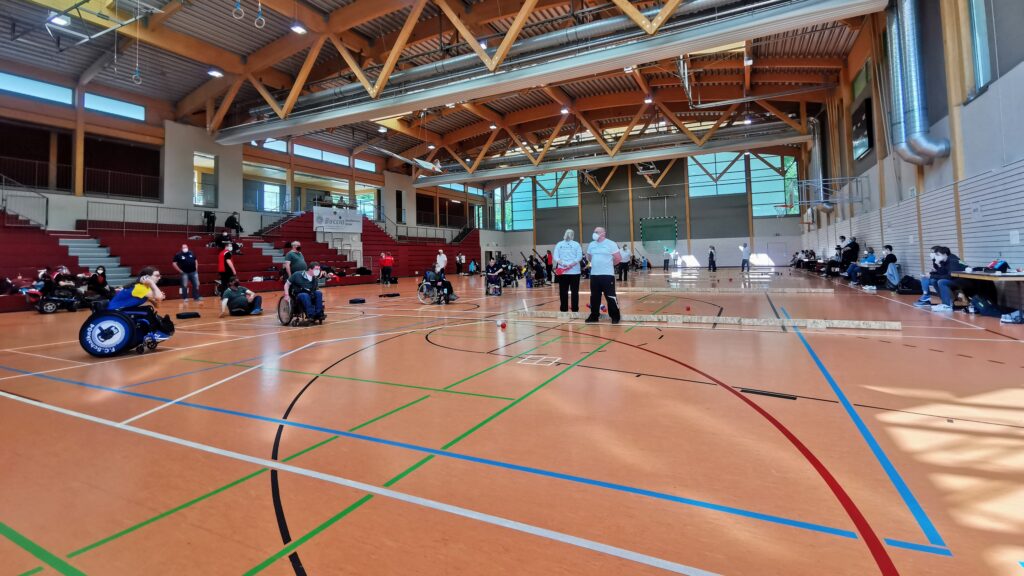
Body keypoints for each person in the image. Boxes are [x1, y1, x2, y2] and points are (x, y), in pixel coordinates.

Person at [107, 267, 171, 341]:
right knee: (146, 312)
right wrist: (152, 283)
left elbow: (157, 305)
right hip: (115, 311)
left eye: (160, 276)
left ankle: (156, 331)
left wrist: (157, 298)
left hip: (123, 310)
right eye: (157, 276)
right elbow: (159, 296)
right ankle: (152, 332)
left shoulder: (146, 288)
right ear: (147, 277)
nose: (159, 278)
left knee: (149, 308)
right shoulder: (139, 287)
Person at [586, 227, 622, 324]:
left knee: (610, 296)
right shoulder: (591, 245)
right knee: (594, 297)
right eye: (594, 232)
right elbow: (589, 257)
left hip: (607, 275)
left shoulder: (611, 244)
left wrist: (608, 264)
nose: (594, 233)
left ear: (603, 233)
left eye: (597, 232)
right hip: (594, 275)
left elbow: (618, 258)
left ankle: (615, 316)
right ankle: (594, 316)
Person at [914, 246, 966, 310]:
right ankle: (941, 301)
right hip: (954, 279)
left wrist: (932, 275)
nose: (935, 256)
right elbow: (942, 272)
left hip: (961, 280)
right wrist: (932, 272)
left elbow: (949, 276)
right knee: (932, 280)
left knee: (941, 281)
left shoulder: (953, 261)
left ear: (944, 254)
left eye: (937, 254)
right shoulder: (945, 260)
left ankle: (947, 305)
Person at [554, 228, 583, 312]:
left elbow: (556, 257)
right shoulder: (576, 244)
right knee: (574, 292)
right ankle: (574, 310)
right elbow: (579, 257)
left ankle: (564, 310)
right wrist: (570, 265)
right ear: (573, 235)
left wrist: (564, 264)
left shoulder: (559, 244)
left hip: (566, 271)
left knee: (563, 291)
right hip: (573, 272)